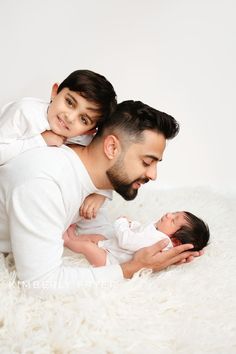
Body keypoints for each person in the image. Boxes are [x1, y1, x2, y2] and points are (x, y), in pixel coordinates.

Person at [0, 100, 202, 292]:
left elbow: (100, 233)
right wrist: (131, 269)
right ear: (112, 147)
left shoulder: (96, 183)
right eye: (147, 162)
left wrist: (160, 254)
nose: (153, 175)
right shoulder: (44, 184)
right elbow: (39, 284)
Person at [0, 69, 117, 219]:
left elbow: (104, 166)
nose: (70, 117)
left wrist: (102, 194)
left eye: (83, 119)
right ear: (55, 92)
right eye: (69, 102)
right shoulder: (25, 112)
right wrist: (40, 140)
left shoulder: (83, 139)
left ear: (90, 131)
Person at [63, 211, 210, 266]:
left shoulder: (158, 240)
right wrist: (132, 224)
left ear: (176, 241)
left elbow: (126, 240)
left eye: (173, 220)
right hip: (112, 248)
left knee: (89, 247)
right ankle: (75, 238)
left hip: (109, 261)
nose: (168, 214)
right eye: (174, 213)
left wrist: (121, 223)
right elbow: (141, 232)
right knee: (98, 237)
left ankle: (68, 241)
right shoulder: (158, 232)